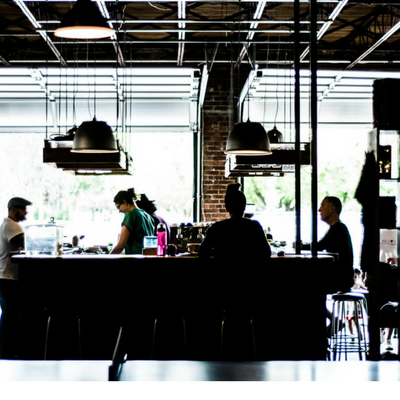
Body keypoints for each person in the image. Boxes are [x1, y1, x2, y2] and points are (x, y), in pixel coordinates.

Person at [198, 183, 271, 260]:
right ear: (244, 206)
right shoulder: (255, 226)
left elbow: (202, 252)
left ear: (227, 207)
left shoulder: (217, 228)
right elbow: (266, 253)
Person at [0, 197, 32, 358]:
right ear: (13, 209)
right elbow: (24, 242)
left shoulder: (8, 224)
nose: (25, 212)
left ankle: (6, 353)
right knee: (14, 314)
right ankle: (8, 353)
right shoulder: (10, 225)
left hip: (5, 276)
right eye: (23, 209)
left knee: (8, 314)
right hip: (7, 277)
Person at [111, 188, 155, 255]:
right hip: (147, 256)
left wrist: (108, 257)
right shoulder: (147, 216)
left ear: (125, 202)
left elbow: (121, 245)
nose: (119, 211)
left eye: (118, 207)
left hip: (134, 257)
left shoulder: (130, 214)